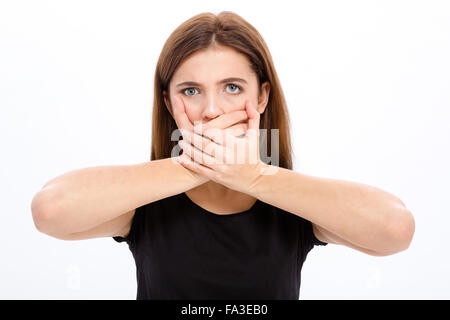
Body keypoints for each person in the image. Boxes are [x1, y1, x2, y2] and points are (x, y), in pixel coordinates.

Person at [30, 11, 415, 300]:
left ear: (261, 96)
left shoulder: (291, 205)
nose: (211, 109)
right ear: (168, 102)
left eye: (232, 87)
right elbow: (50, 210)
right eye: (191, 91)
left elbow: (396, 229)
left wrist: (254, 177)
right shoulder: (145, 204)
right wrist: (195, 166)